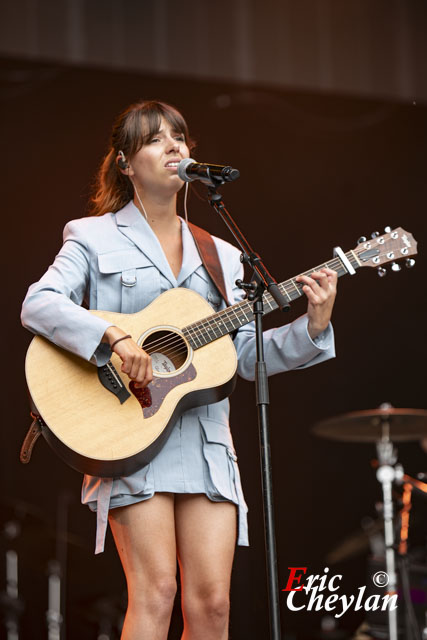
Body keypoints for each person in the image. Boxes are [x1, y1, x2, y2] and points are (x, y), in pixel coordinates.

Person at [21, 100, 338, 640]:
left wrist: (312, 325)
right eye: (155, 138)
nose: (173, 146)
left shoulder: (223, 254)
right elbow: (39, 303)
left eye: (180, 137)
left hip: (206, 442)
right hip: (127, 428)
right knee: (158, 591)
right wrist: (116, 338)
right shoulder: (93, 236)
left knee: (212, 604)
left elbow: (240, 355)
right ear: (124, 162)